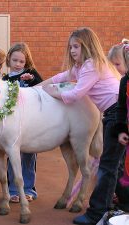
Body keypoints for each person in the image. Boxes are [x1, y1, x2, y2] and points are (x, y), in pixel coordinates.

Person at [40, 27, 122, 225]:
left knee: (108, 167)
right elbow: (61, 77)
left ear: (87, 45)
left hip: (118, 113)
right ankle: (119, 205)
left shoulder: (92, 65)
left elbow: (75, 94)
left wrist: (51, 92)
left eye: (76, 46)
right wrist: (38, 88)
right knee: (115, 165)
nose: (72, 51)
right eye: (70, 47)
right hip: (114, 113)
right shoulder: (80, 67)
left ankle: (96, 213)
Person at [2, 42, 42, 203]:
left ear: (26, 63)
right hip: (13, 126)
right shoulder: (5, 79)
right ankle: (13, 190)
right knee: (13, 157)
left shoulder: (32, 74)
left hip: (30, 124)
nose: (18, 64)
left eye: (21, 62)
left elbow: (42, 88)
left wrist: (31, 80)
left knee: (29, 157)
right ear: (9, 60)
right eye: (15, 60)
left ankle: (28, 189)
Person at [112, 40, 129, 212]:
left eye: (117, 64)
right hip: (128, 132)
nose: (115, 68)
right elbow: (121, 107)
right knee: (124, 169)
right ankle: (125, 203)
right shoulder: (124, 81)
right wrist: (121, 130)